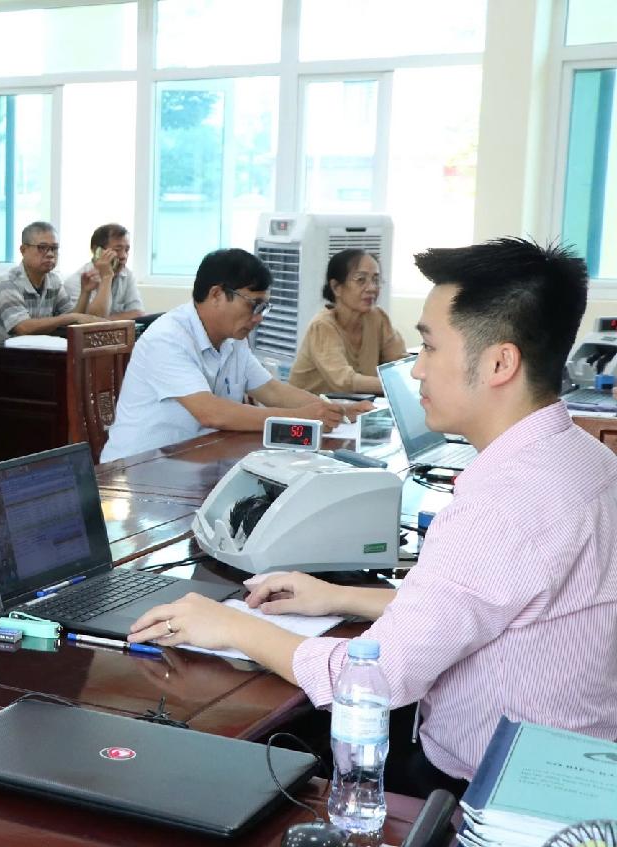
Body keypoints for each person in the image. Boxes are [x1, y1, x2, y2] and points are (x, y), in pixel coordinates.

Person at [126, 237, 616, 797]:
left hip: (484, 791)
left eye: (429, 347)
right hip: (574, 772)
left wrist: (231, 625)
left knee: (232, 769)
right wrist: (339, 597)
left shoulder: (504, 501)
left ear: (500, 363)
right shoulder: (586, 458)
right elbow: (490, 604)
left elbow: (373, 681)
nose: (417, 371)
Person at [101, 248, 362, 462]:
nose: (258, 317)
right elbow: (211, 413)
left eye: (264, 307)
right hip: (139, 470)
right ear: (216, 294)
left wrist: (337, 411)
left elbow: (272, 391)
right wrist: (302, 418)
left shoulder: (233, 341)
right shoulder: (167, 338)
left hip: (197, 460)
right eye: (253, 305)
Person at [289, 250, 407, 395]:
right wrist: (395, 384)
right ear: (336, 287)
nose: (372, 288)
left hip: (354, 405)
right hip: (309, 407)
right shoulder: (322, 326)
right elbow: (343, 381)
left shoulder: (378, 318)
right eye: (361, 280)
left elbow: (399, 362)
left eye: (376, 280)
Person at [0, 221, 103, 345]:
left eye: (54, 248)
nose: (50, 254)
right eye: (42, 248)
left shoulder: (54, 281)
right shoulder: (7, 283)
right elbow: (23, 328)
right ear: (23, 250)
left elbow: (72, 321)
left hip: (33, 350)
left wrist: (85, 292)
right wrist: (71, 318)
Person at [63, 223, 145, 320]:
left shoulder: (127, 275)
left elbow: (138, 313)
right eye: (117, 250)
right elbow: (94, 319)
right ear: (96, 251)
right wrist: (107, 277)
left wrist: (105, 320)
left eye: (127, 250)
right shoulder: (76, 281)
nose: (124, 256)